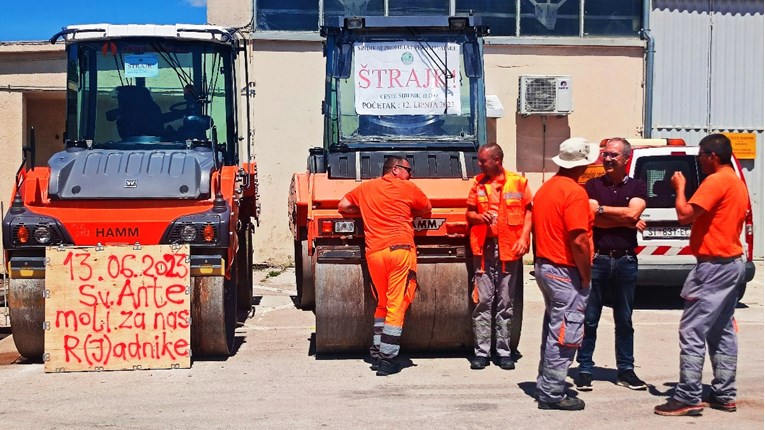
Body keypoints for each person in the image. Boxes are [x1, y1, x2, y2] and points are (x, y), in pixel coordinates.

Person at [654, 134, 748, 416]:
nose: (699, 161)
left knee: (692, 329)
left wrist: (679, 188)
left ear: (712, 156)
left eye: (700, 156)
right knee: (721, 330)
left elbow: (685, 215)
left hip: (713, 266)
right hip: (731, 263)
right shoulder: (736, 181)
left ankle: (688, 395)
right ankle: (724, 393)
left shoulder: (716, 181)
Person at [338, 156, 431, 376]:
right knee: (397, 304)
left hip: (375, 254)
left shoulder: (365, 188)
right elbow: (426, 208)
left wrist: (364, 212)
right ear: (397, 169)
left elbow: (342, 205)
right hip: (400, 250)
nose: (411, 174)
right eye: (409, 169)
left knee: (383, 303)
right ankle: (388, 359)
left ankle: (377, 351)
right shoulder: (407, 187)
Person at [575, 138, 648, 391]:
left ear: (626, 158)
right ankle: (584, 368)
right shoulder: (593, 186)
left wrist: (610, 213)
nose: (607, 159)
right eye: (605, 154)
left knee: (624, 319)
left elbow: (633, 213)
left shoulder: (638, 185)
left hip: (626, 259)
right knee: (590, 318)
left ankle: (626, 370)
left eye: (613, 155)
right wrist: (626, 220)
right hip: (599, 259)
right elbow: (593, 218)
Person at [532, 137, 598, 411]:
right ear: (583, 164)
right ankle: (552, 393)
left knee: (554, 328)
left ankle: (546, 384)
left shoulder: (546, 189)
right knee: (566, 333)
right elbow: (579, 239)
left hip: (546, 266)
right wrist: (585, 275)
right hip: (564, 270)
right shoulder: (574, 193)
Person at [465, 143, 533, 370]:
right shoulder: (477, 183)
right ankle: (481, 353)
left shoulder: (519, 182)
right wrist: (479, 216)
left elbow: (529, 211)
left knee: (505, 302)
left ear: (496, 160)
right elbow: (469, 213)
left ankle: (504, 352)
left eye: (483, 160)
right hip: (484, 250)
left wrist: (524, 238)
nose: (479, 164)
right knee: (483, 302)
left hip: (509, 250)